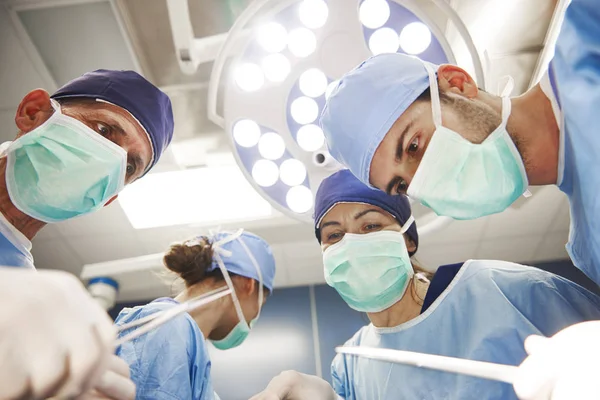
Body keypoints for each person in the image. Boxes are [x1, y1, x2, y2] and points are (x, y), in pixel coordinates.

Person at [251, 170, 600, 400]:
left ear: (407, 240)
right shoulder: (352, 362)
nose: (351, 244)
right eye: (335, 235)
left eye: (370, 226)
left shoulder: (498, 290)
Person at [319, 0, 600, 286]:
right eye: (402, 185)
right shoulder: (590, 248)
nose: (423, 180)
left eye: (414, 146)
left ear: (457, 83)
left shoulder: (590, 31)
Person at [0, 69, 174, 399]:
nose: (108, 161)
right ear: (32, 112)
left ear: (108, 196)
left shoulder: (32, 304)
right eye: (103, 129)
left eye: (127, 168)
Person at [115, 229, 276, 400]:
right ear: (248, 285)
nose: (253, 319)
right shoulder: (168, 326)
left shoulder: (183, 339)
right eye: (261, 303)